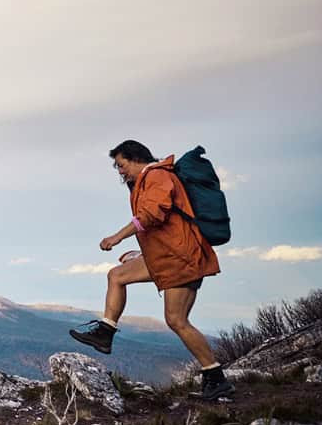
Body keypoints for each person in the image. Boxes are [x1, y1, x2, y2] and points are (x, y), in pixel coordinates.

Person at [69, 140, 233, 400]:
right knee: (117, 276)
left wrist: (116, 237)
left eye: (121, 165)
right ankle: (105, 332)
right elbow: (165, 229)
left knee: (177, 320)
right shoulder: (146, 181)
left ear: (135, 159)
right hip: (166, 256)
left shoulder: (157, 176)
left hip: (182, 259)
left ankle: (215, 378)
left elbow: (151, 216)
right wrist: (141, 254)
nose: (120, 172)